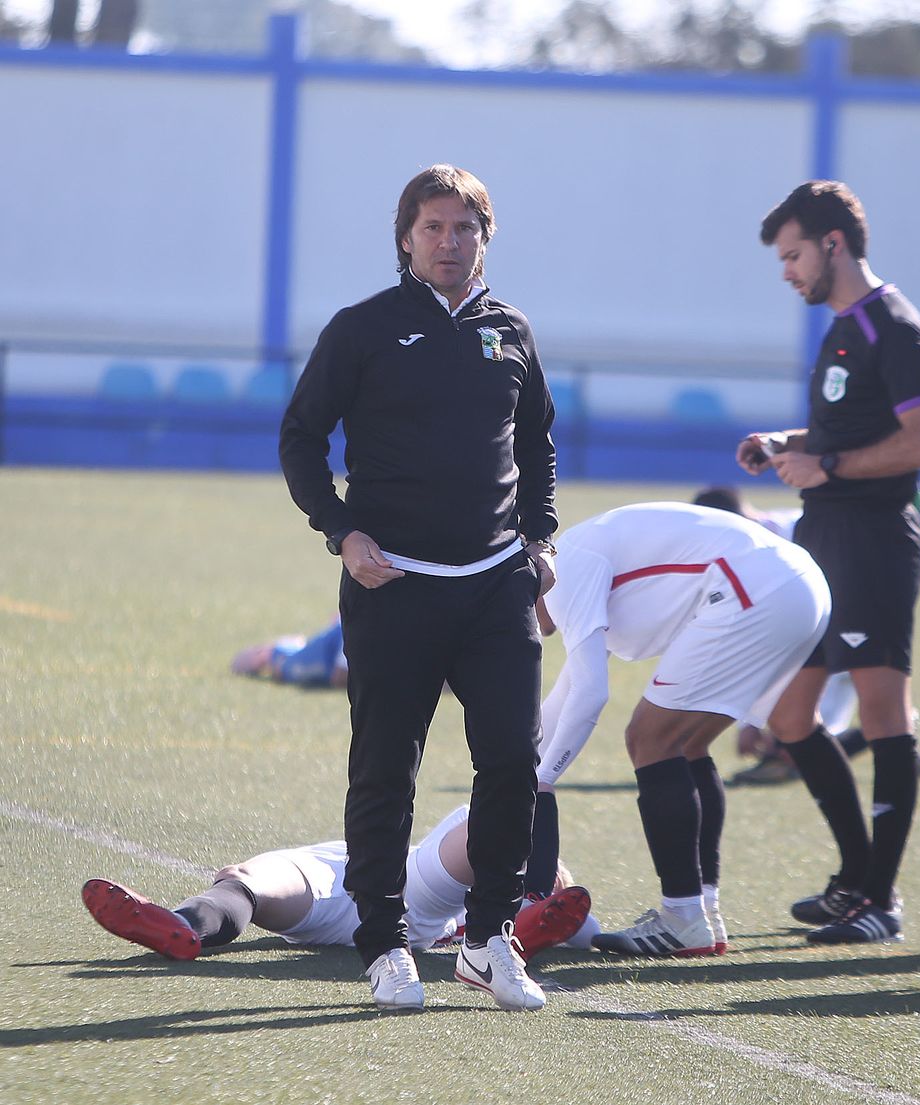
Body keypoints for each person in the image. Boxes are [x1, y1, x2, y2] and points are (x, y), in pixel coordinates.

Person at [279, 164, 557, 1011]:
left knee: (513, 759)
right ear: (406, 237)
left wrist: (539, 539)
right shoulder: (362, 328)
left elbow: (539, 443)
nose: (449, 242)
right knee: (386, 766)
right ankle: (384, 943)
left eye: (464, 228)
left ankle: (487, 939)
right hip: (393, 581)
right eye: (433, 227)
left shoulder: (511, 329)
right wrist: (342, 531)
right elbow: (301, 436)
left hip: (494, 586)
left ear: (485, 238)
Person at [736, 180, 920, 944]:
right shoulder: (840, 325)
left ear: (833, 243)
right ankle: (856, 879)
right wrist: (787, 444)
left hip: (876, 544)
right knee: (791, 716)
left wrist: (829, 469)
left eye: (793, 254)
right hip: (826, 544)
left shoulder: (894, 324)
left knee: (885, 715)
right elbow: (848, 428)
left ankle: (880, 902)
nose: (786, 270)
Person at [531, 501, 830, 957]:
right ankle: (703, 912)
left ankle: (682, 917)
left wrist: (543, 780)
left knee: (650, 738)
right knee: (688, 745)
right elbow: (567, 693)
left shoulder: (564, 568)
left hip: (757, 587)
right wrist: (520, 767)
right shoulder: (565, 561)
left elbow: (591, 695)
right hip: (798, 583)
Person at [80, 806, 597, 986]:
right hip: (389, 886)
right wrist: (557, 891)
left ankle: (186, 925)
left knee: (244, 884)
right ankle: (516, 930)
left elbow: (571, 903)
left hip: (364, 889)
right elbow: (572, 901)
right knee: (499, 811)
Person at [690, 486, 920, 787]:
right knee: (801, 728)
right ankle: (891, 737)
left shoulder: (793, 530)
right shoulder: (768, 534)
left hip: (846, 626)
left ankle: (894, 733)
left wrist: (752, 720)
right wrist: (751, 720)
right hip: (821, 634)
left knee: (808, 734)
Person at [231, 616, 347, 687]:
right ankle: (265, 652)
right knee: (284, 666)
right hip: (333, 647)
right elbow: (339, 677)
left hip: (335, 647)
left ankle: (294, 643)